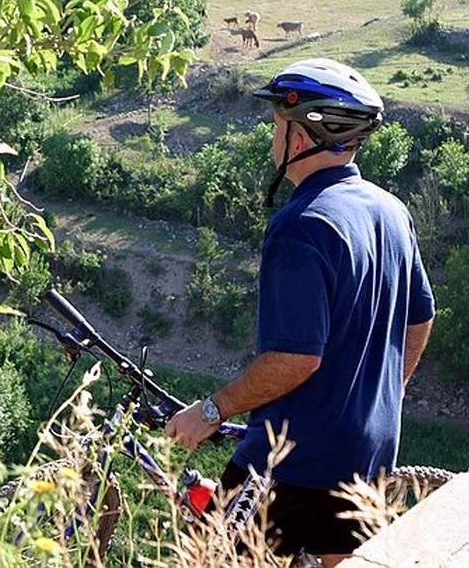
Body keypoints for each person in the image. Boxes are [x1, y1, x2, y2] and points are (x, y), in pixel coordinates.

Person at [165, 58, 435, 567]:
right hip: (369, 454)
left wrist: (210, 412)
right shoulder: (391, 210)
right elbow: (420, 318)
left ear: (300, 136)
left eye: (276, 126)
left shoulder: (302, 225)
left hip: (292, 465)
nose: (273, 139)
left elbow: (294, 359)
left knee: (205, 557)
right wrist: (386, 395)